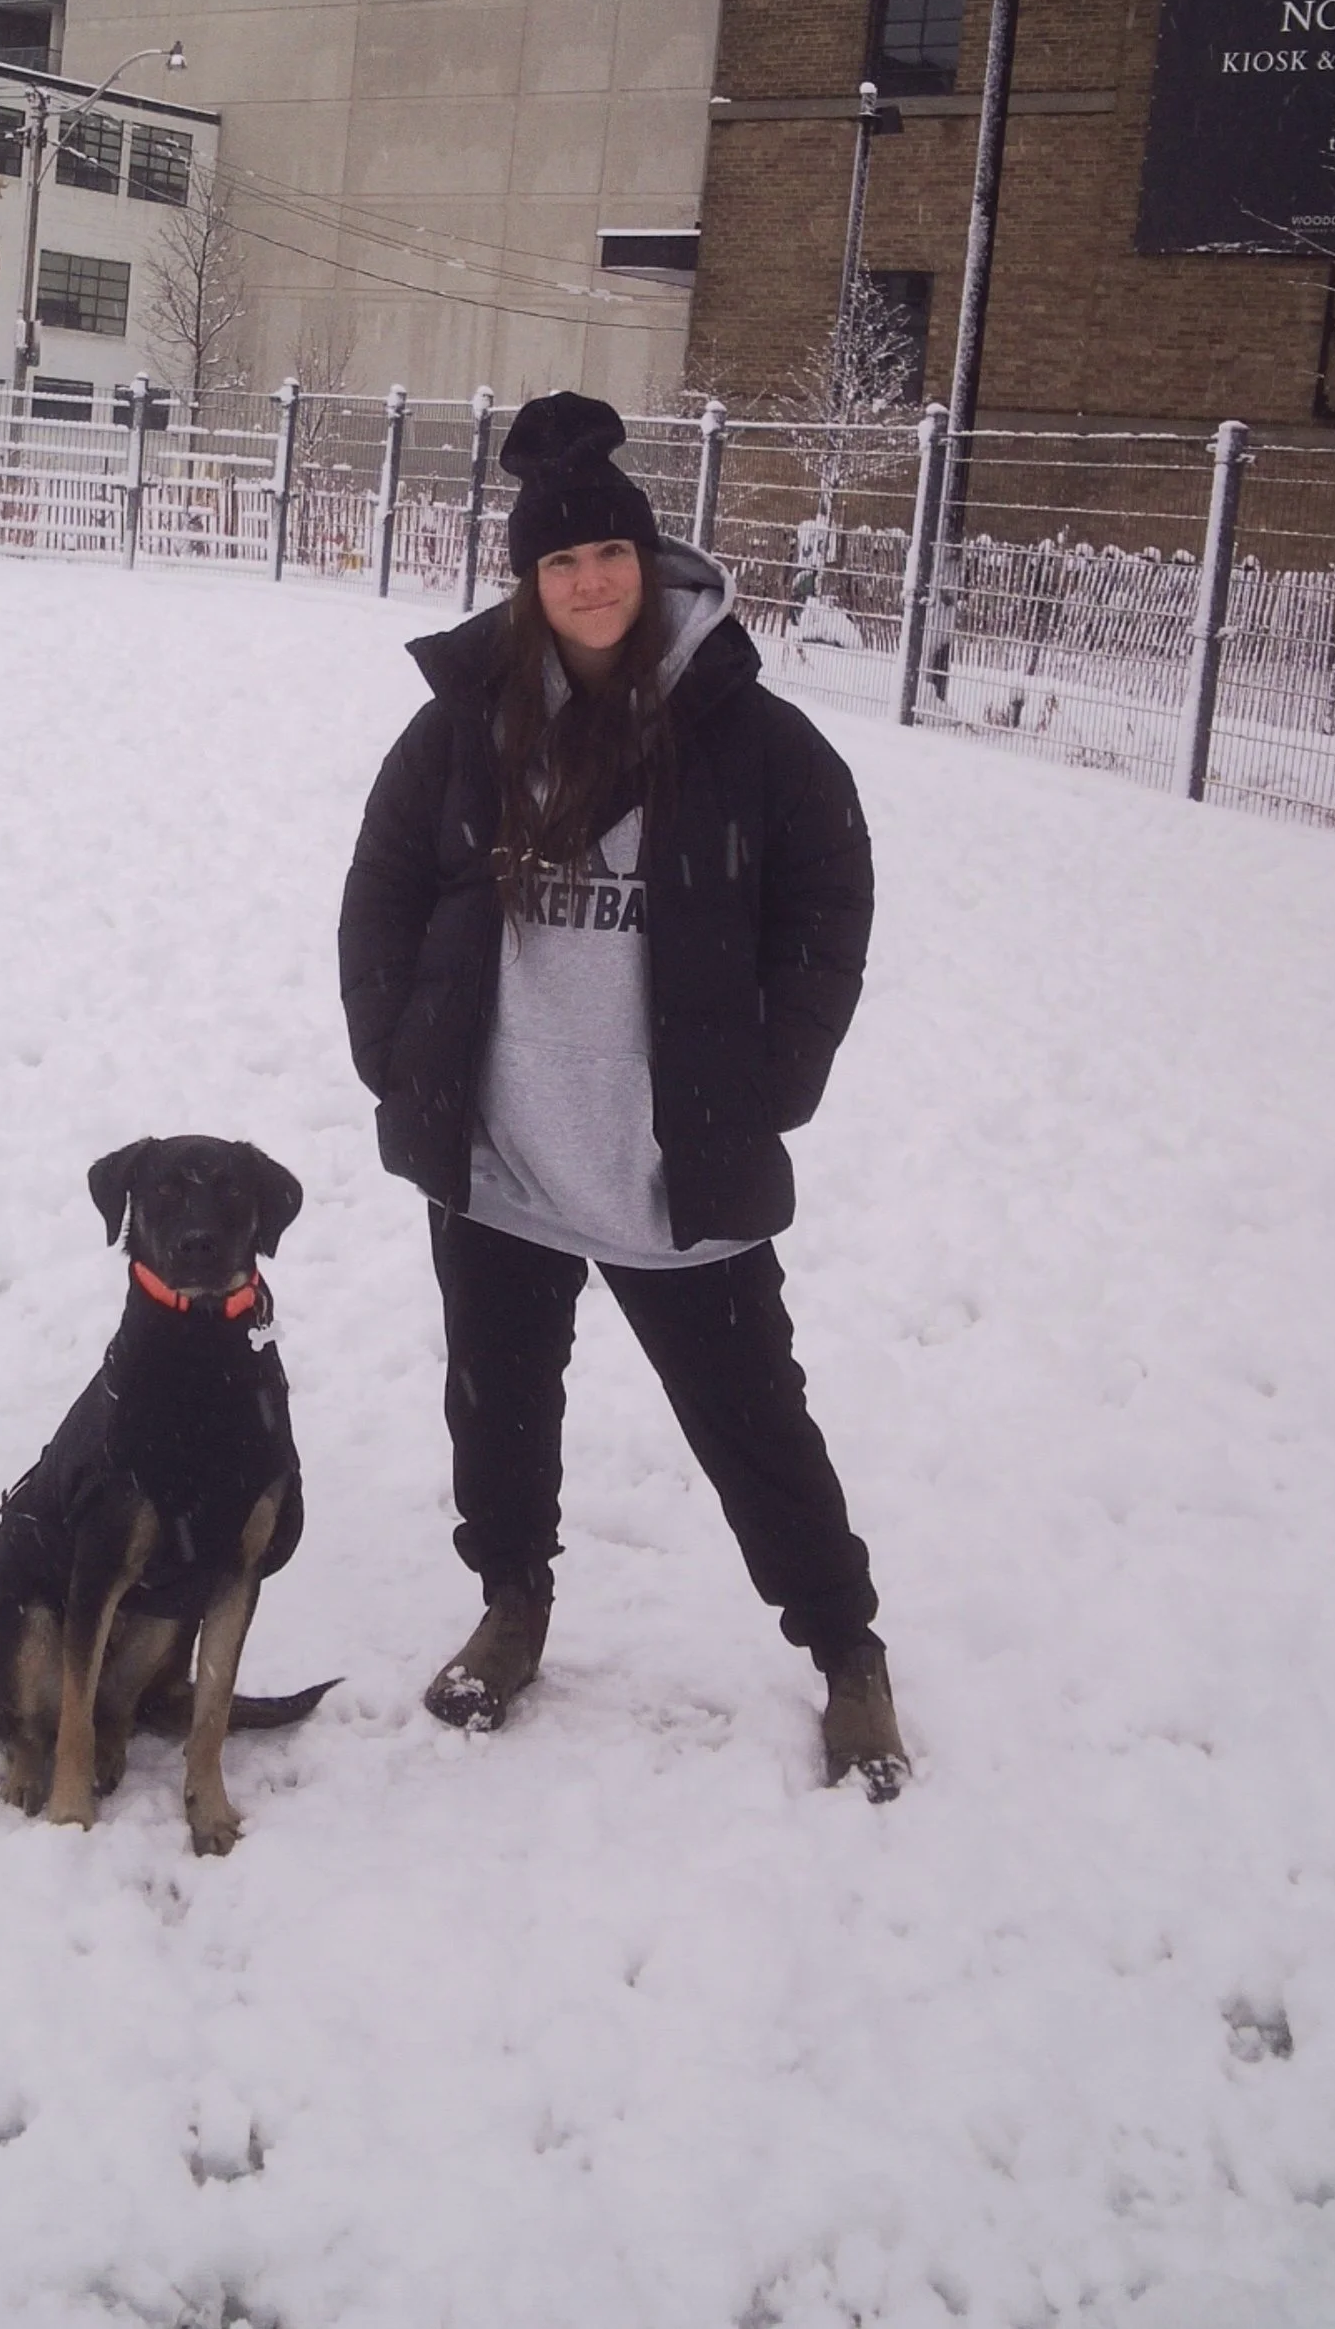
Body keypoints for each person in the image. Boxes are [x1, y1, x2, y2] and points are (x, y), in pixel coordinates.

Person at [336, 391, 904, 1795]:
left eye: (611, 558)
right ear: (529, 582)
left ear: (648, 567)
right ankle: (512, 1603)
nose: (589, 584)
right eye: (560, 563)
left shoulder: (751, 737)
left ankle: (846, 1650)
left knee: (752, 1418)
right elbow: (382, 893)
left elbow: (833, 900)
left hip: (676, 1158)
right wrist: (400, 1056)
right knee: (500, 1405)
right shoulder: (472, 723)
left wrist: (772, 1076)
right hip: (504, 1147)